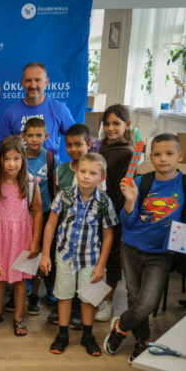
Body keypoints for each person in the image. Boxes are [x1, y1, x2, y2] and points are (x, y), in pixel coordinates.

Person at [105, 133, 186, 364]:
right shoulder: (143, 182)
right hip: (131, 247)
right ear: (150, 157)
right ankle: (142, 340)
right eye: (158, 154)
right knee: (134, 297)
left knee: (147, 302)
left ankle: (120, 327)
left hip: (161, 253)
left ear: (180, 156)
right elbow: (127, 222)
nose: (164, 159)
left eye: (169, 153)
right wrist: (130, 203)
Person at [40, 153, 118, 356]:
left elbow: (108, 235)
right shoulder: (64, 195)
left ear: (102, 178)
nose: (86, 176)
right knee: (64, 296)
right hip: (65, 256)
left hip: (90, 259)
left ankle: (87, 334)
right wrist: (45, 254)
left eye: (93, 173)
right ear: (76, 171)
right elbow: (50, 225)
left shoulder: (104, 202)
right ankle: (63, 334)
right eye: (83, 171)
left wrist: (101, 265)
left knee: (88, 298)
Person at [0, 136, 43, 336]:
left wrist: (35, 242)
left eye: (16, 159)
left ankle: (18, 317)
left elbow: (38, 212)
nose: (12, 164)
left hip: (23, 236)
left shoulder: (31, 182)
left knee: (21, 279)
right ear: (0, 160)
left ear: (23, 159)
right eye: (7, 159)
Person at [47, 123, 94, 327]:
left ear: (89, 144)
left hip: (87, 232)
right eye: (69, 145)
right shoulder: (62, 168)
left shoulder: (94, 169)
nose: (73, 149)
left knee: (83, 272)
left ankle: (78, 308)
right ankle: (63, 306)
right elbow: (57, 194)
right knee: (63, 270)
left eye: (78, 144)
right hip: (64, 229)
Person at [93, 105, 135, 322]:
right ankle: (91, 296)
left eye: (116, 123)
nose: (110, 128)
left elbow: (122, 188)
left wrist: (109, 214)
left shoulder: (128, 153)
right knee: (95, 254)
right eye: (107, 123)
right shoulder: (99, 147)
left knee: (112, 258)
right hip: (94, 210)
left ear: (127, 125)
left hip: (114, 213)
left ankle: (107, 301)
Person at [0, 62, 74, 156]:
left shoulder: (59, 109)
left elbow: (76, 138)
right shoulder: (11, 113)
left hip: (51, 168)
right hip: (21, 169)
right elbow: (3, 148)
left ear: (46, 82)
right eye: (28, 80)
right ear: (22, 83)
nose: (33, 85)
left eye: (38, 80)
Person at [22, 117, 56, 316]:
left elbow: (57, 184)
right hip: (22, 214)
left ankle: (37, 293)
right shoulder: (18, 157)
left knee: (42, 253)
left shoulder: (50, 158)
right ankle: (21, 288)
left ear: (46, 136)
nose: (34, 139)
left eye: (39, 135)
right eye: (30, 135)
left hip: (44, 213)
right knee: (24, 252)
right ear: (23, 136)